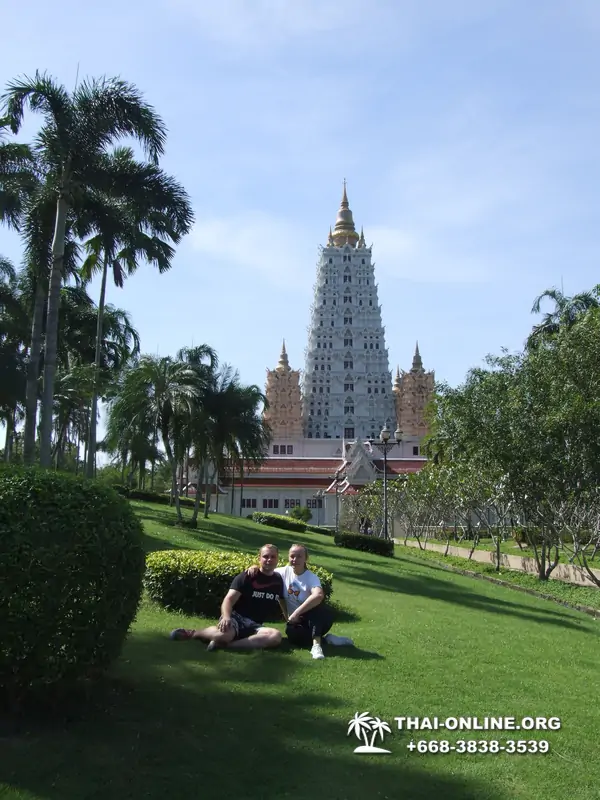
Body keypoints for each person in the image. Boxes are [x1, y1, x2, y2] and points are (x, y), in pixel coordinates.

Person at [170, 543, 285, 651]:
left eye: (273, 557)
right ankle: (193, 633)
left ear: (277, 559)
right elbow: (229, 599)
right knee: (223, 635)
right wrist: (226, 617)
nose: (269, 559)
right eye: (265, 556)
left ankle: (227, 645)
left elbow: (282, 600)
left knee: (275, 636)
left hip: (255, 625)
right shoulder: (247, 576)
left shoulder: (278, 580)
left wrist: (289, 619)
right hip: (236, 619)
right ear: (259, 558)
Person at [249, 543, 354, 659]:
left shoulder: (311, 577)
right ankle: (328, 639)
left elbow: (318, 595)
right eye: (292, 556)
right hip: (296, 622)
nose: (295, 559)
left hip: (315, 618)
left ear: (306, 559)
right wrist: (254, 567)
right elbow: (265, 571)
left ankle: (316, 646)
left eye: (299, 556)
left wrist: (296, 613)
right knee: (295, 639)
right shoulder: (283, 572)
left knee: (317, 611)